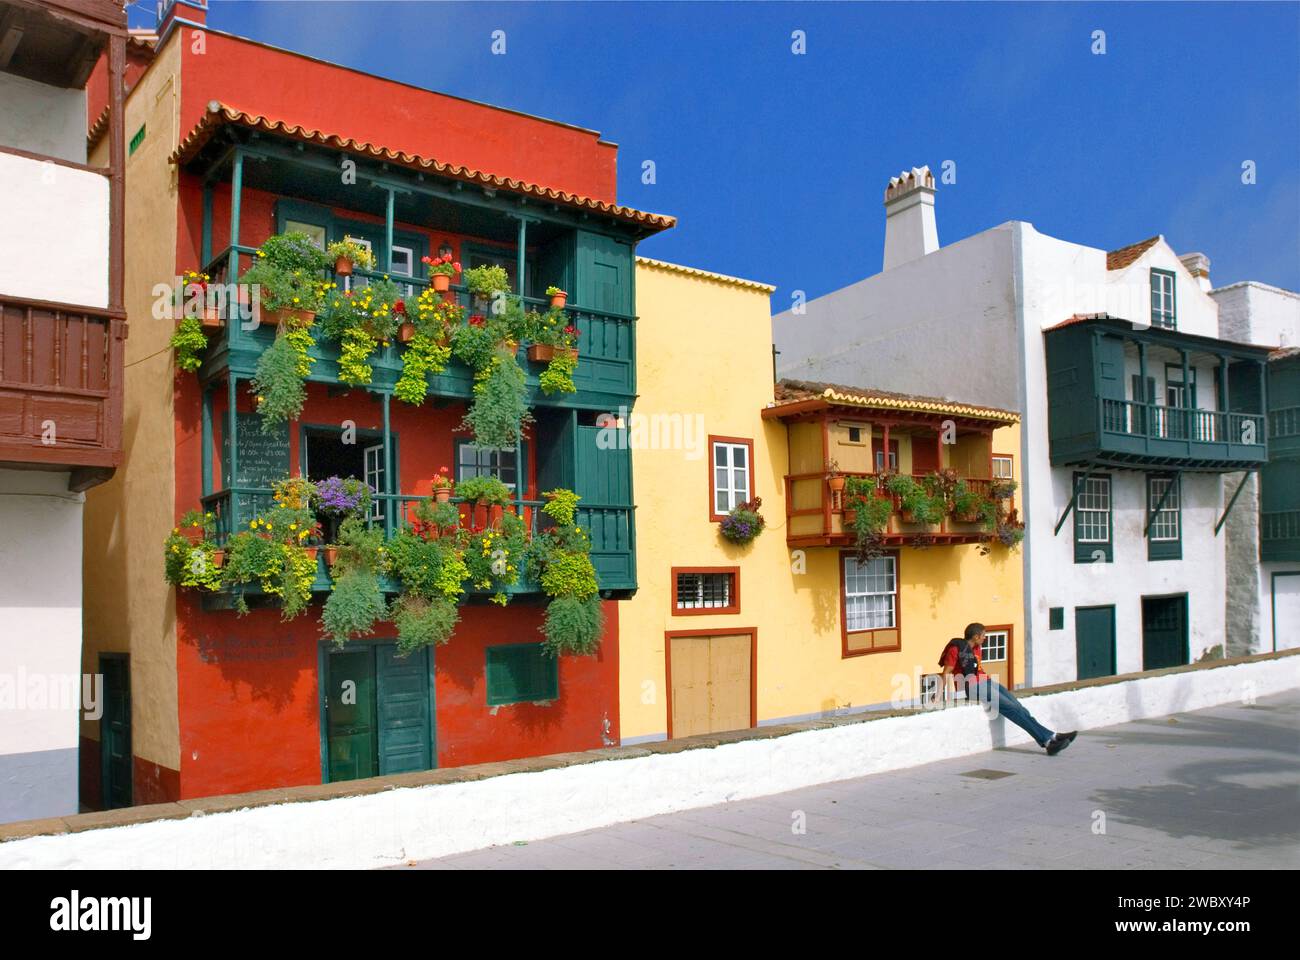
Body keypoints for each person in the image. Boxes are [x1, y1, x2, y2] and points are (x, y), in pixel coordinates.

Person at [939, 622, 1077, 756]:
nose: (984, 638)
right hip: (972, 686)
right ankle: (1047, 742)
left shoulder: (977, 648)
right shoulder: (956, 649)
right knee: (1012, 708)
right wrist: (939, 694)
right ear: (975, 636)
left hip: (986, 681)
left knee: (1019, 707)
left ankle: (1053, 736)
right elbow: (946, 672)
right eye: (983, 635)